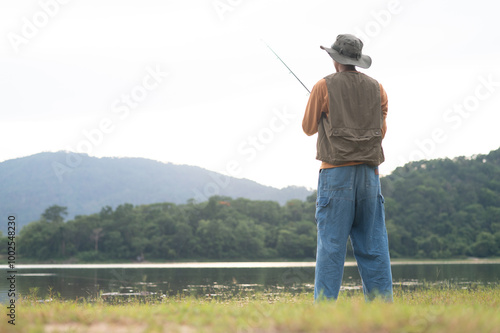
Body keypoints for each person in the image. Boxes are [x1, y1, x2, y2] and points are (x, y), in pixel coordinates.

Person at [302, 34, 393, 302]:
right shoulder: (378, 88)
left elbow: (308, 128)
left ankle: (325, 313)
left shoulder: (323, 86)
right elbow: (381, 130)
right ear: (357, 60)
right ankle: (382, 311)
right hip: (369, 174)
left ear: (335, 59)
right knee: (373, 245)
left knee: (331, 246)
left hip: (335, 173)